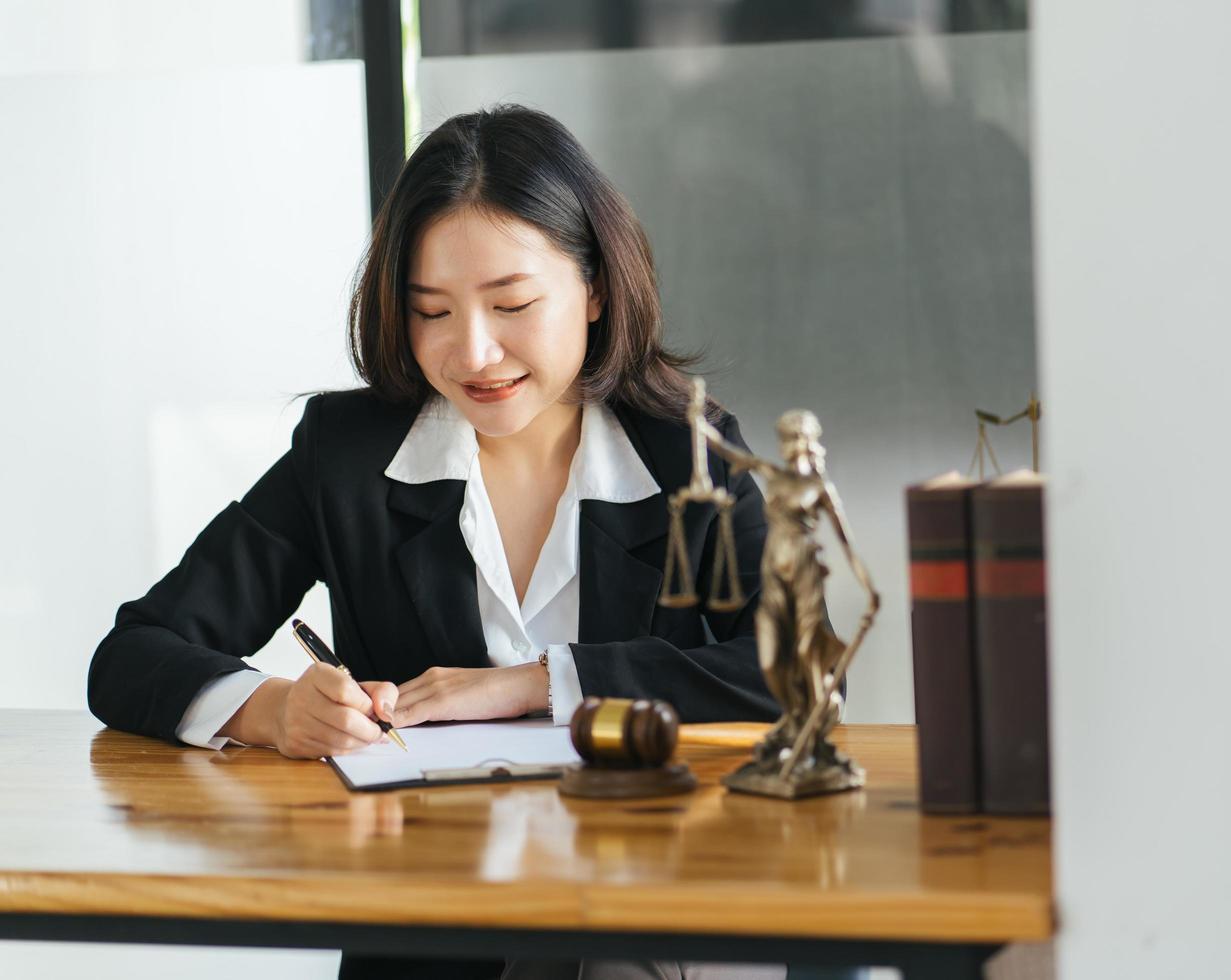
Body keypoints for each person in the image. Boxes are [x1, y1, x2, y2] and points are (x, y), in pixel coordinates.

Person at [87, 104, 792, 980]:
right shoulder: (346, 458)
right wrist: (274, 713)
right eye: (432, 312)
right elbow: (131, 653)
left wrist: (538, 683)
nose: (474, 352)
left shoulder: (690, 455)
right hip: (429, 938)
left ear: (597, 288)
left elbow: (789, 672)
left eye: (513, 303)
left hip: (658, 917)